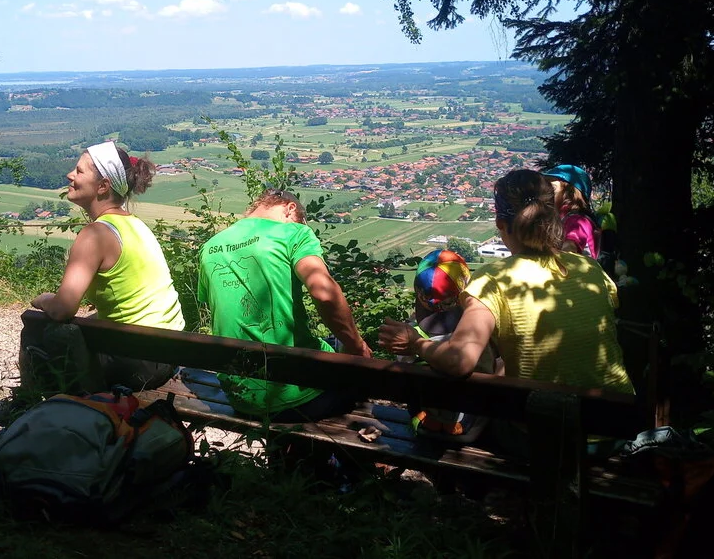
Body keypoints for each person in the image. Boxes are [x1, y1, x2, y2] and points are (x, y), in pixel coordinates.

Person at [379, 169, 633, 456]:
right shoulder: (589, 268)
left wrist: (415, 342)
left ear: (501, 223)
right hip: (616, 427)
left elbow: (459, 362)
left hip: (542, 437)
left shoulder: (492, 280)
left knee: (477, 417)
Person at [198, 189, 372, 421]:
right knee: (354, 359)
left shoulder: (211, 246)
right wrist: (357, 346)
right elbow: (324, 293)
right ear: (290, 209)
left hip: (241, 396)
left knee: (329, 343)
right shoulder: (293, 233)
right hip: (300, 397)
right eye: (301, 220)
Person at [28, 141, 184, 393]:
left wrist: (44, 299)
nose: (70, 175)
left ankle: (32, 404)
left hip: (137, 362)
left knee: (39, 327)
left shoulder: (95, 235)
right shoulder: (135, 225)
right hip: (169, 353)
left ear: (103, 186)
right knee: (86, 324)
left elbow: (62, 309)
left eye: (79, 171)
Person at [401, 249, 497, 442]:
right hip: (468, 428)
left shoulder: (410, 333)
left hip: (426, 424)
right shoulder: (480, 332)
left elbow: (405, 370)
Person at [542, 164, 599, 259]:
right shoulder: (566, 218)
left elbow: (569, 250)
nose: (546, 192)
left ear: (569, 192)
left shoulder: (576, 220)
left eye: (552, 187)